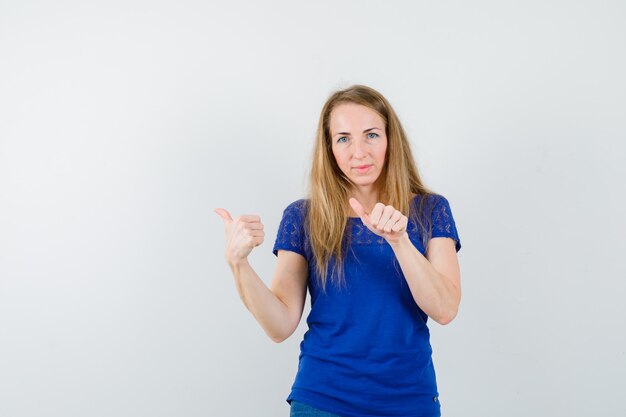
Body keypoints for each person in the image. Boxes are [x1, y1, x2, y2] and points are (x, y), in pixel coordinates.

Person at [215, 84, 462, 417]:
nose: (358, 152)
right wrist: (238, 264)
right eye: (343, 138)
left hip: (409, 401)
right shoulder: (303, 217)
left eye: (371, 135)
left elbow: (445, 309)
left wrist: (399, 241)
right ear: (329, 148)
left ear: (391, 140)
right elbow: (280, 325)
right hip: (322, 400)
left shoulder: (431, 210)